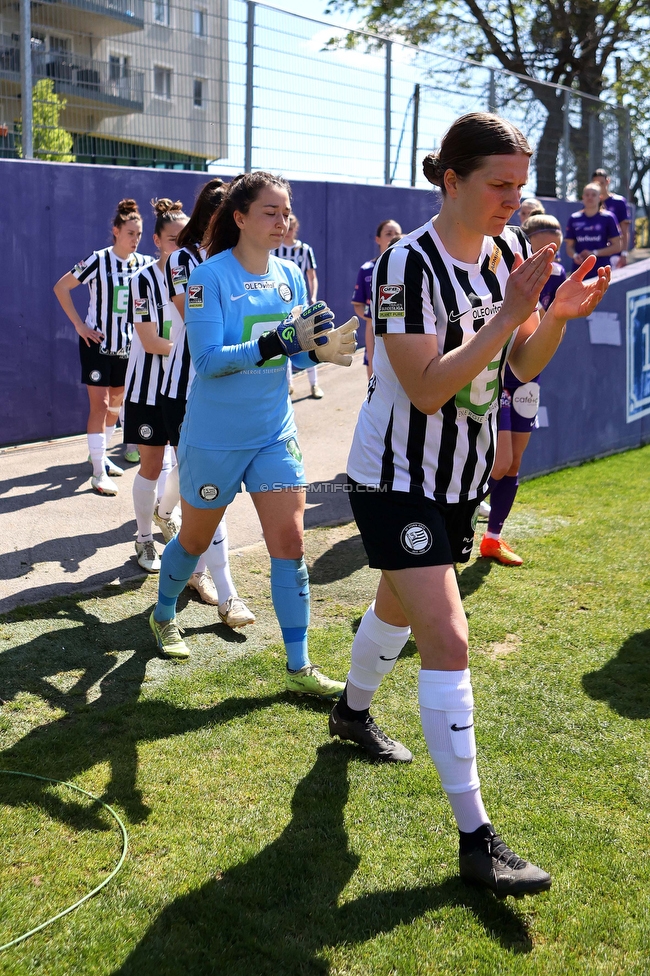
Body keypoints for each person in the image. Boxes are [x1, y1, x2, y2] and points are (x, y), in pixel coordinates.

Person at [329, 112, 610, 897]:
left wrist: (552, 316)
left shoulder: (511, 254)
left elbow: (518, 367)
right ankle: (477, 839)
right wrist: (512, 312)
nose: (514, 203)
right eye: (500, 186)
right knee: (446, 635)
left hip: (460, 480)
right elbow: (424, 388)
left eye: (522, 187)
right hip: (393, 478)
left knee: (392, 606)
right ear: (451, 181)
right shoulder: (403, 266)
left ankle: (350, 715)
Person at [148, 171, 357, 694]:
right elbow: (211, 359)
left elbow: (293, 346)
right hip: (215, 437)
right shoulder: (208, 278)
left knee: (289, 542)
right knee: (194, 541)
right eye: (270, 211)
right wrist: (278, 342)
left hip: (273, 432)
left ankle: (299, 667)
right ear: (239, 218)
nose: (282, 220)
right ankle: (163, 613)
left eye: (286, 211)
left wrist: (319, 352)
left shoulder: (289, 275)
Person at [162, 178, 256, 629]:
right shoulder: (185, 260)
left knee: (196, 484)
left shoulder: (240, 262)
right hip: (190, 383)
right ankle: (227, 594)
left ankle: (170, 522)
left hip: (233, 385)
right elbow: (195, 321)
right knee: (207, 488)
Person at [479, 214, 567, 565]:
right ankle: (457, 522)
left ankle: (493, 539)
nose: (549, 255)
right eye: (542, 246)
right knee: (498, 463)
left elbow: (546, 326)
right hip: (497, 376)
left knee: (514, 462)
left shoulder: (558, 276)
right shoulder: (498, 264)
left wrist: (554, 317)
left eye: (555, 249)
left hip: (529, 377)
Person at [53, 199, 152, 496]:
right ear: (116, 231)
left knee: (116, 407)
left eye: (139, 234)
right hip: (96, 344)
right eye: (130, 233)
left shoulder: (144, 264)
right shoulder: (98, 260)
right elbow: (61, 287)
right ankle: (98, 472)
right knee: (101, 405)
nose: (135, 239)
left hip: (128, 347)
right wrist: (79, 326)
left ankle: (101, 455)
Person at [123, 198, 188, 572]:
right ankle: (144, 538)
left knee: (187, 463)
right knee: (151, 465)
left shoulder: (200, 277)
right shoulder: (142, 281)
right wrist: (197, 351)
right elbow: (149, 341)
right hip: (148, 389)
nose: (180, 246)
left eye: (187, 238)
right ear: (158, 241)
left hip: (183, 389)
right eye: (173, 239)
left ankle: (166, 512)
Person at [273, 213, 323, 398]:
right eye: (288, 226)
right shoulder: (274, 250)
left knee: (307, 342)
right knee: (284, 340)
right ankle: (288, 384)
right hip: (282, 303)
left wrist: (313, 296)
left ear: (296, 228)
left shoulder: (305, 249)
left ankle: (314, 385)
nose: (289, 230)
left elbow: (312, 276)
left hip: (301, 303)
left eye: (292, 226)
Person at [352, 219, 402, 378]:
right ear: (378, 239)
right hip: (374, 334)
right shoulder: (367, 269)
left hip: (402, 338)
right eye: (388, 234)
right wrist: (371, 316)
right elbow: (358, 305)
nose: (393, 237)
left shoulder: (408, 268)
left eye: (397, 234)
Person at [564, 183, 622, 279]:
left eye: (593, 195)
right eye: (587, 195)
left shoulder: (608, 218)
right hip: (579, 271)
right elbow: (569, 248)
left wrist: (594, 253)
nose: (590, 197)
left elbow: (617, 246)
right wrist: (575, 256)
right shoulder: (574, 218)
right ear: (583, 197)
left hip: (601, 270)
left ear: (600, 197)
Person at [591, 168, 632, 268]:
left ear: (607, 181)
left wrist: (624, 254)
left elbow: (625, 230)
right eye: (596, 184)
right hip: (596, 255)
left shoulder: (619, 202)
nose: (599, 186)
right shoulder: (590, 203)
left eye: (601, 183)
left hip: (615, 255)